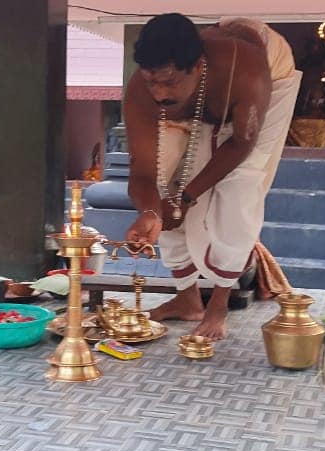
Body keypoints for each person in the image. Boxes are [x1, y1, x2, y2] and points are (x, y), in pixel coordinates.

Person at [123, 14, 302, 339]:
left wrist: (188, 198)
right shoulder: (140, 93)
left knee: (241, 186)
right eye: (152, 82)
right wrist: (150, 213)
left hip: (269, 73)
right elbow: (144, 171)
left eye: (170, 82)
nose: (160, 94)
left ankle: (219, 303)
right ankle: (187, 299)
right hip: (214, 89)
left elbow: (240, 144)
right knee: (166, 182)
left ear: (198, 66)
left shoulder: (244, 70)